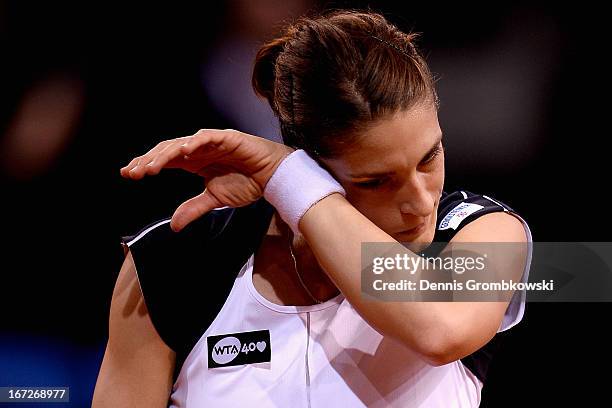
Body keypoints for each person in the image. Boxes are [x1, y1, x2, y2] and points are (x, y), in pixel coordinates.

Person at [92, 9, 532, 408]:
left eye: (429, 158)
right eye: (376, 181)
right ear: (313, 167)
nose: (420, 202)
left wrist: (283, 174)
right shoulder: (175, 261)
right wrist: (291, 179)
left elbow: (440, 330)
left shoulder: (482, 230)